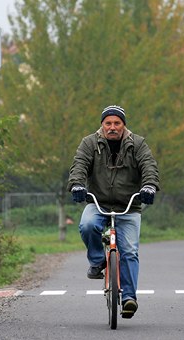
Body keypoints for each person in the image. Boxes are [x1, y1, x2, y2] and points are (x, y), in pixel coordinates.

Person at [68, 104, 160, 319]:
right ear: (102, 125)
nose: (112, 127)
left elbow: (149, 166)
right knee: (87, 225)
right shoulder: (89, 143)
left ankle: (129, 298)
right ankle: (98, 261)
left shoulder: (137, 144)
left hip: (129, 206)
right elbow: (79, 165)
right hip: (98, 203)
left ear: (123, 125)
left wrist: (149, 186)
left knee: (129, 251)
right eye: (108, 123)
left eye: (117, 123)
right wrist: (77, 185)